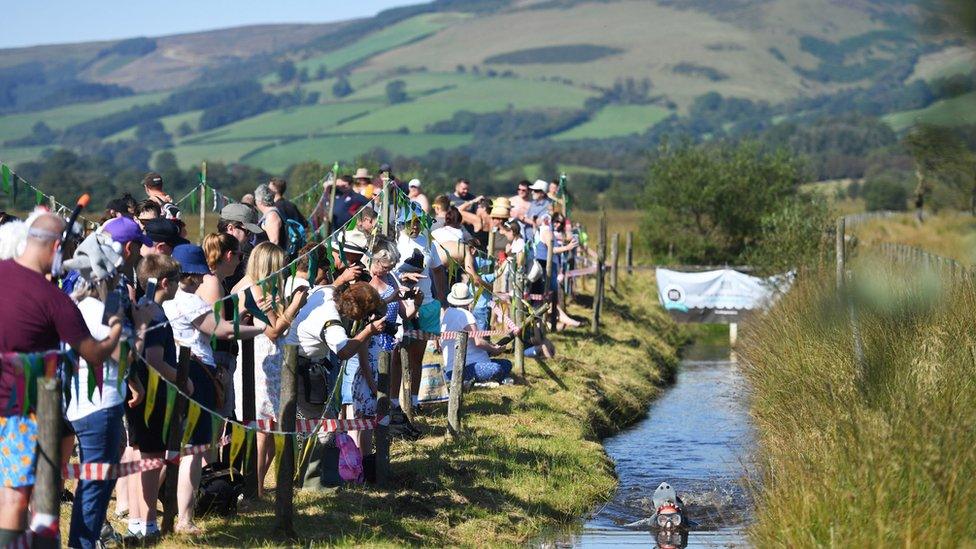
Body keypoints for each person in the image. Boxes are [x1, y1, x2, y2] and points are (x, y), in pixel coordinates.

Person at [0, 214, 123, 544]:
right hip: (20, 412)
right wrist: (116, 327)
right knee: (15, 496)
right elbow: (95, 355)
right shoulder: (53, 299)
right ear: (56, 247)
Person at [163, 244, 264, 533]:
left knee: (168, 450)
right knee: (194, 451)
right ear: (193, 275)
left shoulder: (165, 302)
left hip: (174, 372)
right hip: (197, 373)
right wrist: (259, 329)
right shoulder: (189, 301)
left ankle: (152, 513)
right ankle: (184, 518)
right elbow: (221, 330)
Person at [65, 253, 148, 549]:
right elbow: (121, 356)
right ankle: (83, 543)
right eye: (114, 274)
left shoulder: (91, 306)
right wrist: (140, 326)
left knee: (98, 483)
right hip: (96, 406)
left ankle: (85, 541)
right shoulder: (91, 309)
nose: (118, 280)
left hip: (102, 402)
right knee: (95, 486)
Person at [231, 242, 308, 496]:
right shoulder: (255, 291)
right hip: (262, 361)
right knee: (264, 428)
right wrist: (295, 306)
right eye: (280, 265)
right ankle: (256, 488)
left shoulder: (246, 286)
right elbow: (274, 331)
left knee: (273, 424)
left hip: (266, 359)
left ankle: (257, 484)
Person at [123, 254, 188, 542]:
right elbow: (154, 360)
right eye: (176, 280)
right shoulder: (156, 315)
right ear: (165, 282)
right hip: (152, 395)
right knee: (151, 460)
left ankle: (137, 520)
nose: (179, 285)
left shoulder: (143, 308)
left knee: (141, 457)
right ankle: (147, 522)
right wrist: (183, 379)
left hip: (140, 393)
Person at [395, 203, 447, 426]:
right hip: (400, 303)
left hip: (425, 304)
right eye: (410, 223)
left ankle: (414, 401)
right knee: (396, 356)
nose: (414, 227)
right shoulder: (395, 241)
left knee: (417, 356)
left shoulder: (428, 242)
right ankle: (393, 404)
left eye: (417, 222)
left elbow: (437, 269)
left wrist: (443, 300)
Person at [441, 283, 512, 384]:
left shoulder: (447, 313)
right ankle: (474, 380)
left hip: (452, 368)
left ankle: (471, 379)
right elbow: (478, 342)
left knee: (506, 364)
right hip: (467, 366)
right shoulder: (466, 315)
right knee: (498, 368)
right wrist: (494, 349)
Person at [218, 203, 264, 290]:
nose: (251, 238)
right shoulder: (210, 253)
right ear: (230, 228)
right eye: (248, 232)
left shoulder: (246, 251)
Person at [254, 184, 285, 250]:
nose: (255, 202)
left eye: (255, 200)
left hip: (270, 258)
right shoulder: (269, 214)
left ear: (260, 201)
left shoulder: (272, 216)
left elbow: (274, 242)